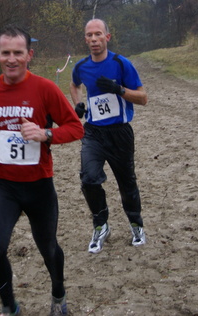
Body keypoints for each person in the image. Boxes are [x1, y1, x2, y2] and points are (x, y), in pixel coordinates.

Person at [0, 25, 84, 316]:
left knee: (49, 249)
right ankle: (9, 306)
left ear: (29, 55)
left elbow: (76, 128)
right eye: (6, 53)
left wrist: (46, 134)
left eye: (18, 53)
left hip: (39, 185)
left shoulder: (45, 89)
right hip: (4, 186)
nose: (12, 59)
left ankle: (58, 295)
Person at [69, 18, 148, 254]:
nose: (94, 39)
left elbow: (143, 98)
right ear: (85, 39)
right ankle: (101, 225)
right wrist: (79, 104)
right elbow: (74, 85)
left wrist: (120, 90)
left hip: (120, 133)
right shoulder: (81, 66)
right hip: (93, 132)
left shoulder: (121, 64)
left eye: (98, 34)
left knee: (127, 183)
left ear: (107, 37)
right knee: (88, 179)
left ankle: (136, 224)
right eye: (89, 35)